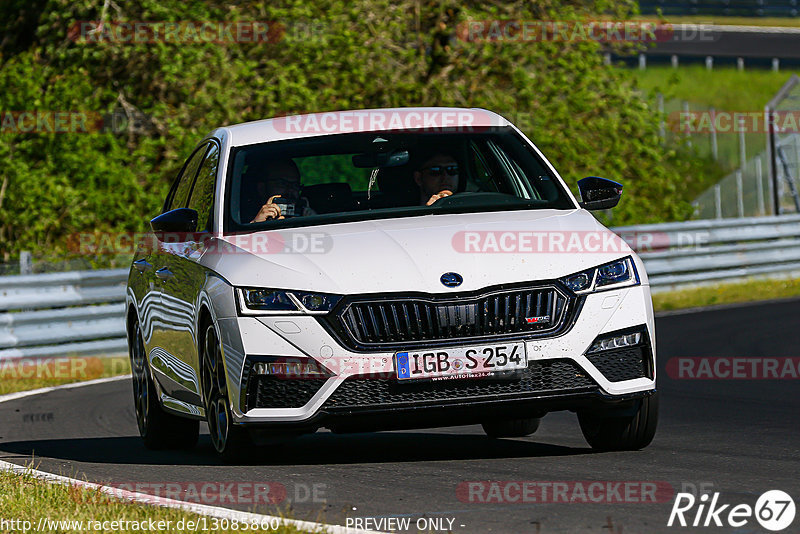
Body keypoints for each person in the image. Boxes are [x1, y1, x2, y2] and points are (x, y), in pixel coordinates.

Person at [247, 158, 315, 223]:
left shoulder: (306, 214)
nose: (290, 190)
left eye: (295, 185)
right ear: (261, 188)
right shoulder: (239, 217)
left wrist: (310, 220)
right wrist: (257, 223)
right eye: (282, 184)